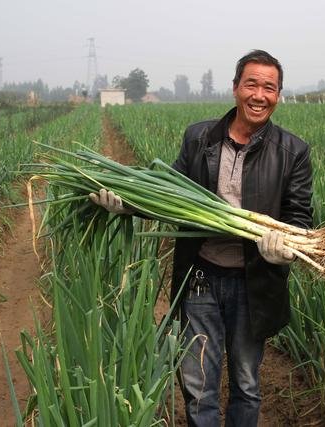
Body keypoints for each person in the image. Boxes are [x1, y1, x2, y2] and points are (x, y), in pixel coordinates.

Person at [91, 49, 313, 427]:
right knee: (198, 385)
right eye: (252, 84)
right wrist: (126, 203)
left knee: (246, 382)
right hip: (201, 279)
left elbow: (299, 217)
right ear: (235, 88)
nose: (260, 95)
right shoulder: (199, 139)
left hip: (255, 283)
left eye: (270, 88)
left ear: (278, 95)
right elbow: (170, 196)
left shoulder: (292, 152)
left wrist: (285, 252)